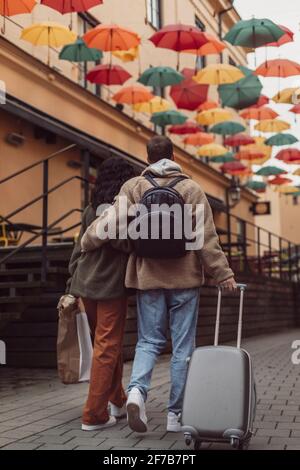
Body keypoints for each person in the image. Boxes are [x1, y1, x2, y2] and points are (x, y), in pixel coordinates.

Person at [81, 136, 236, 434]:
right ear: (173, 155)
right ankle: (175, 415)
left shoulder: (135, 187)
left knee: (148, 342)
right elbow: (206, 238)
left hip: (148, 278)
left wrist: (87, 242)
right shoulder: (190, 188)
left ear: (148, 158)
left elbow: (108, 222)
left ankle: (137, 392)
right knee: (182, 348)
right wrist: (223, 273)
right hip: (185, 279)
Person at [66, 157, 135, 431]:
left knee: (106, 345)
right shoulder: (125, 210)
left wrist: (72, 282)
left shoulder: (90, 209)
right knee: (106, 347)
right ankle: (94, 414)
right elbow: (127, 244)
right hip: (110, 286)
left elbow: (77, 250)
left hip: (85, 284)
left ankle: (117, 400)